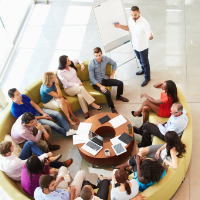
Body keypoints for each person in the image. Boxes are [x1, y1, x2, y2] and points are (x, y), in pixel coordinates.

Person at [8, 88, 76, 137]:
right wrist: (42, 117)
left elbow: (34, 104)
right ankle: (65, 133)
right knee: (53, 125)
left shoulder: (23, 96)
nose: (20, 95)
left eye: (19, 93)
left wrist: (43, 113)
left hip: (38, 111)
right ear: (12, 98)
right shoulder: (14, 110)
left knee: (57, 114)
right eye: (17, 95)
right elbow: (28, 120)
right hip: (34, 119)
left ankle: (69, 130)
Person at [114, 6, 153, 87]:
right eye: (132, 14)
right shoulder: (130, 19)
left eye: (135, 15)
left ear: (139, 13)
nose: (133, 16)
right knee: (139, 59)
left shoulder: (144, 22)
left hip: (143, 47)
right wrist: (120, 26)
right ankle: (143, 70)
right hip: (135, 45)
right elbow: (129, 28)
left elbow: (149, 34)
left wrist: (150, 37)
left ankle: (147, 77)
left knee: (145, 62)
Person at [0, 140, 71, 181]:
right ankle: (60, 164)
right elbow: (28, 162)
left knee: (29, 143)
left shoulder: (3, 155)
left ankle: (49, 160)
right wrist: (46, 155)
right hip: (23, 172)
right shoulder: (13, 163)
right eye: (11, 146)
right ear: (8, 153)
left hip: (19, 163)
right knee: (38, 160)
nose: (13, 145)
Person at [88, 47, 129, 114]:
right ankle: (112, 107)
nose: (98, 57)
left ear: (102, 54)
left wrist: (112, 74)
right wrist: (101, 86)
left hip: (105, 78)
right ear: (93, 55)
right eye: (96, 56)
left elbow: (114, 64)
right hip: (97, 83)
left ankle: (118, 96)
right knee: (107, 93)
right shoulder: (91, 64)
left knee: (120, 83)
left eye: (99, 55)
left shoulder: (105, 58)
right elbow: (92, 79)